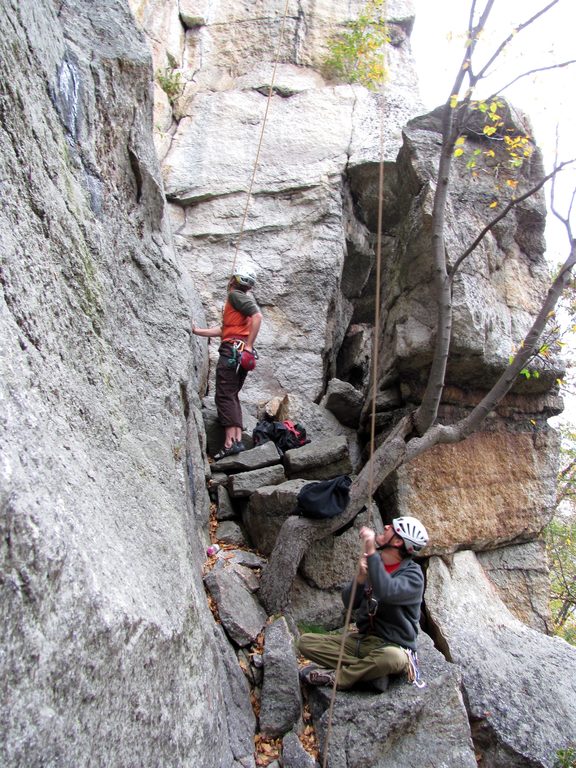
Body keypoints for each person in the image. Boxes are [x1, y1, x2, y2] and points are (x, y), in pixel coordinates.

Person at [298, 516, 429, 691]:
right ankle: (370, 673)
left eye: (393, 527)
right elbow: (349, 603)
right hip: (362, 642)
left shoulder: (414, 576)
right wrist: (359, 579)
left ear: (397, 541)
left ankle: (340, 678)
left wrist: (371, 551)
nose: (387, 525)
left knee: (392, 658)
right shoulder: (377, 562)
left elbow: (386, 590)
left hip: (392, 647)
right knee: (305, 642)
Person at [192, 268, 263, 460]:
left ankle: (230, 443)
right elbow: (225, 330)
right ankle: (237, 441)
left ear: (234, 280)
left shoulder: (235, 296)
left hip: (232, 352)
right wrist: (198, 331)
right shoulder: (239, 305)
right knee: (231, 395)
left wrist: (249, 346)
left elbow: (258, 317)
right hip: (239, 353)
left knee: (224, 395)